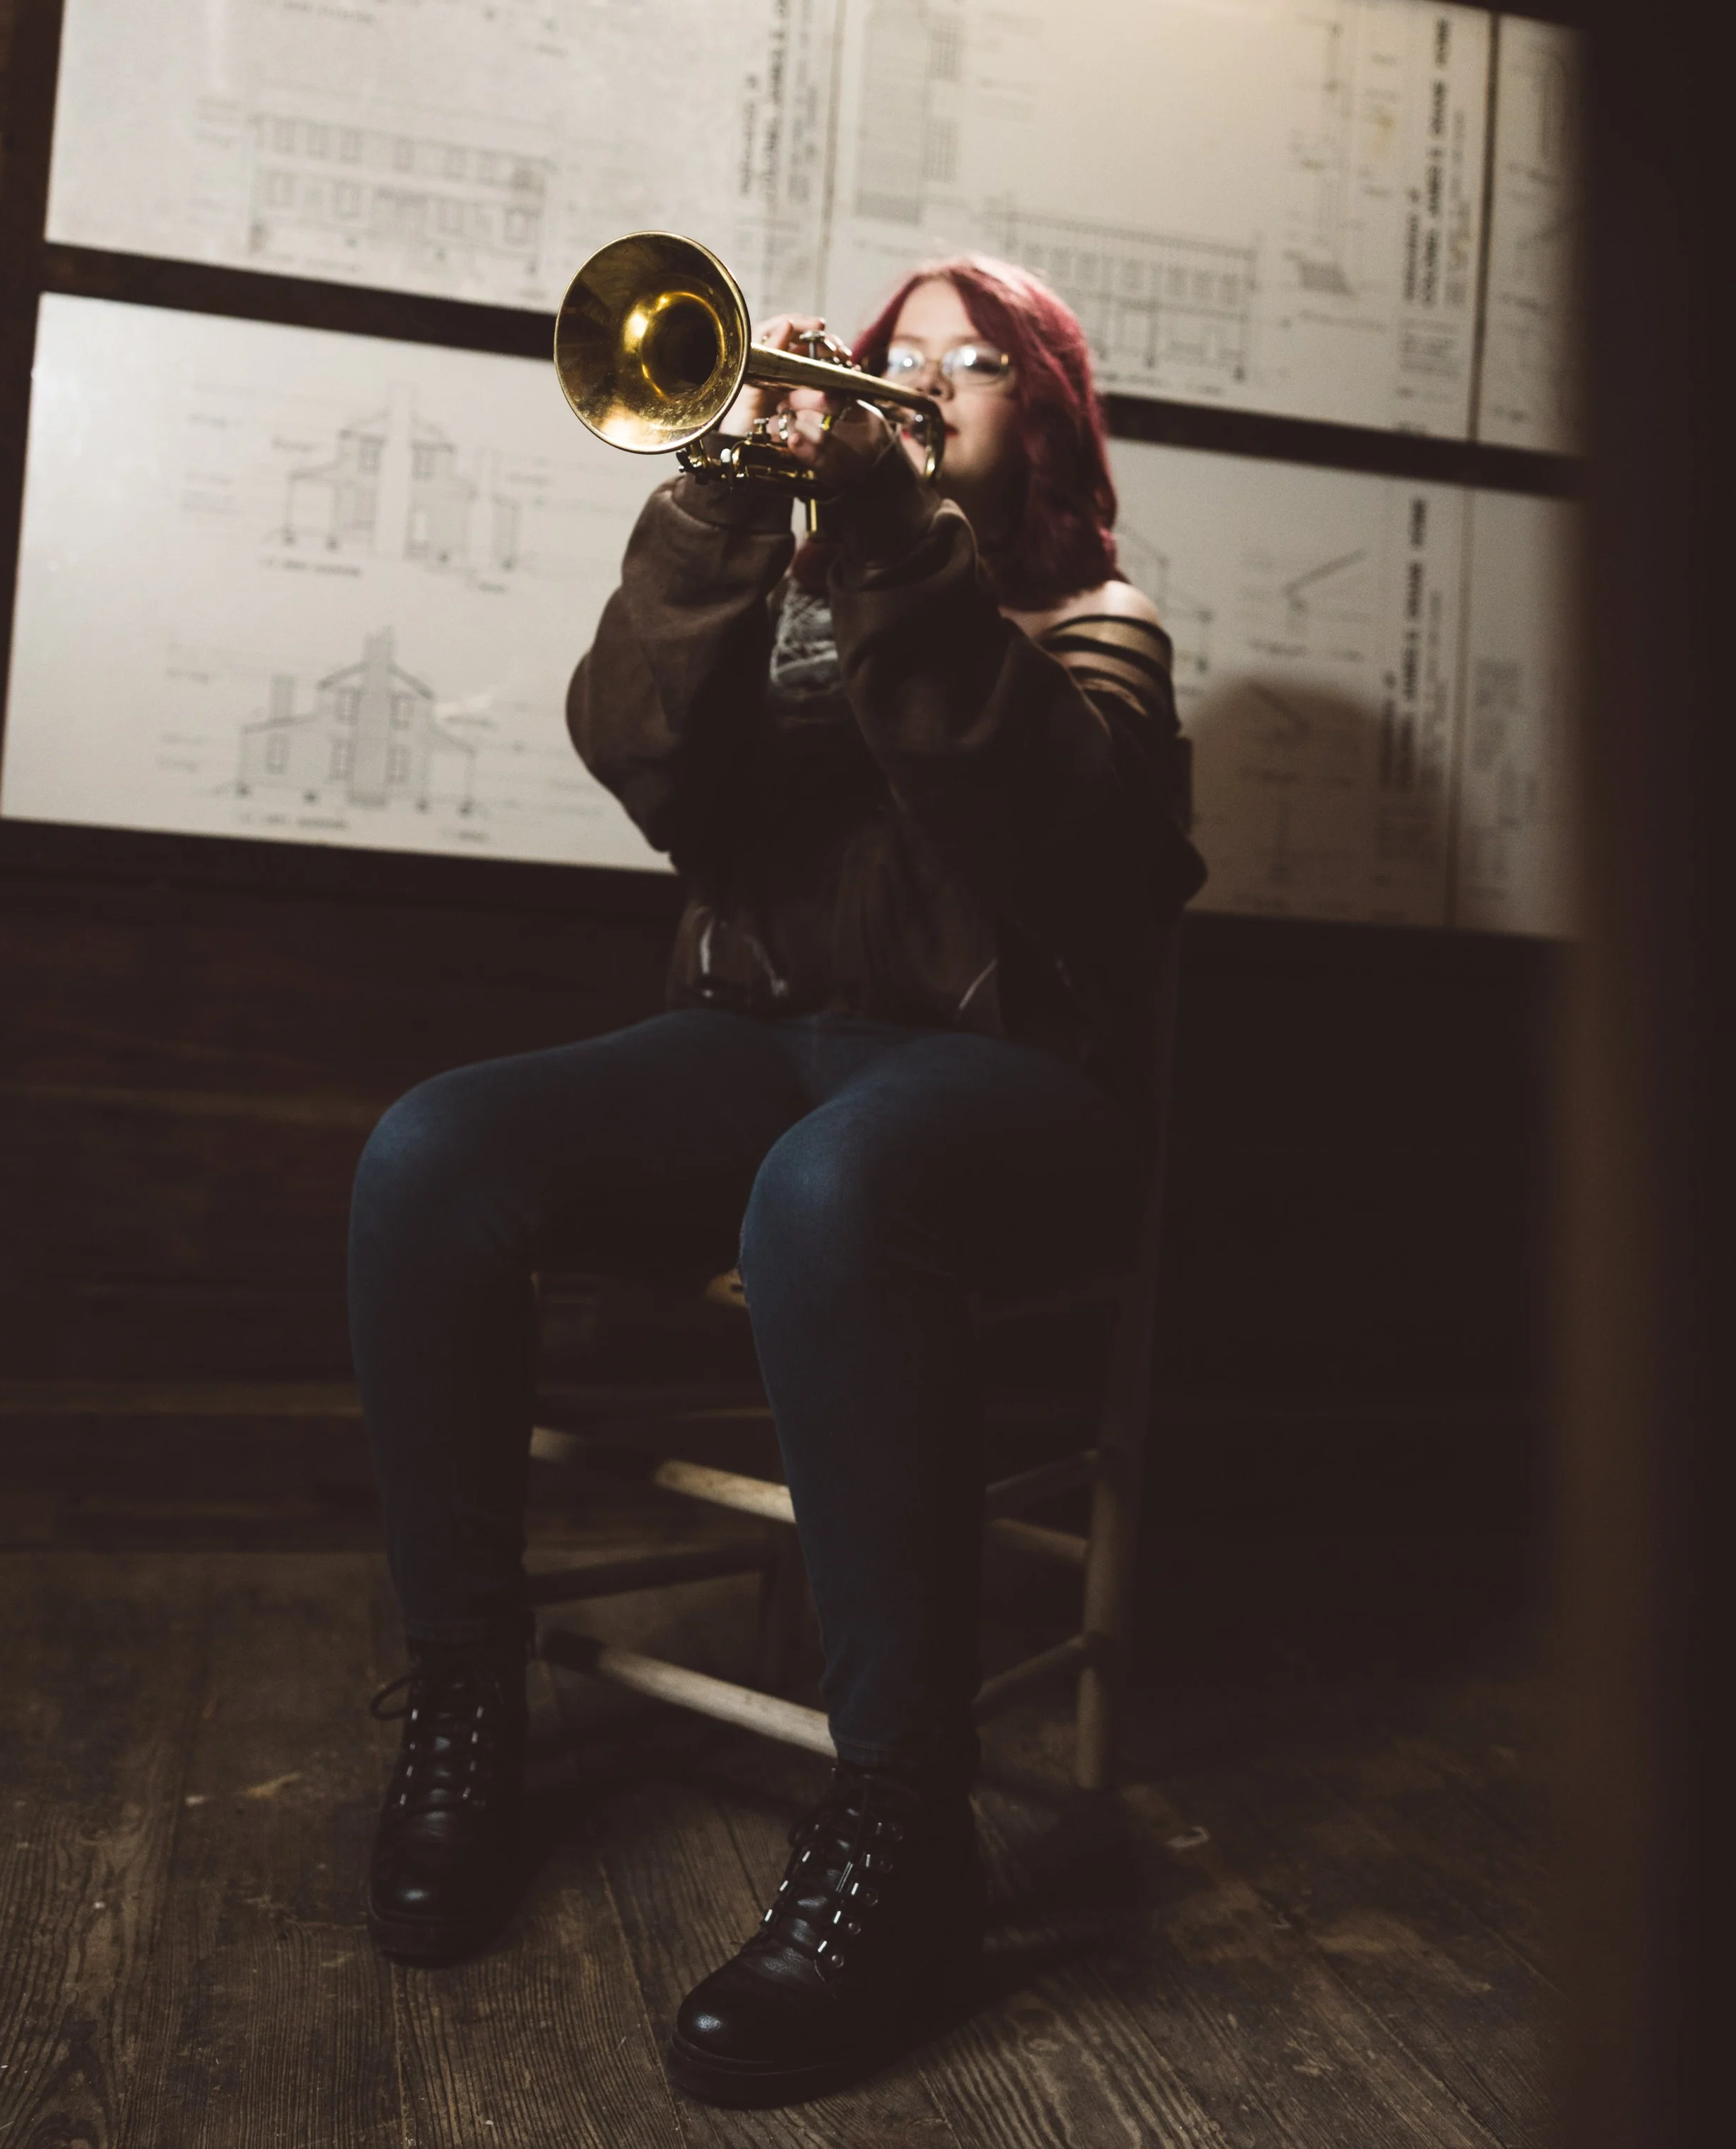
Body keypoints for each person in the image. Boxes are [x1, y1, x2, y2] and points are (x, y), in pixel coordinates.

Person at [346, 254, 1205, 2107]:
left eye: (978, 362)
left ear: (1044, 415)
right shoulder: (791, 592)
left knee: (830, 1193)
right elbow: (637, 753)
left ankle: (907, 1833)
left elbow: (1061, 850)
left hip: (1010, 1078)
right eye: (900, 356)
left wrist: (892, 538)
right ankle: (464, 1699)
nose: (924, 379)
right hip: (759, 1045)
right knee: (431, 1151)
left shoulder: (1098, 623)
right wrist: (723, 503)